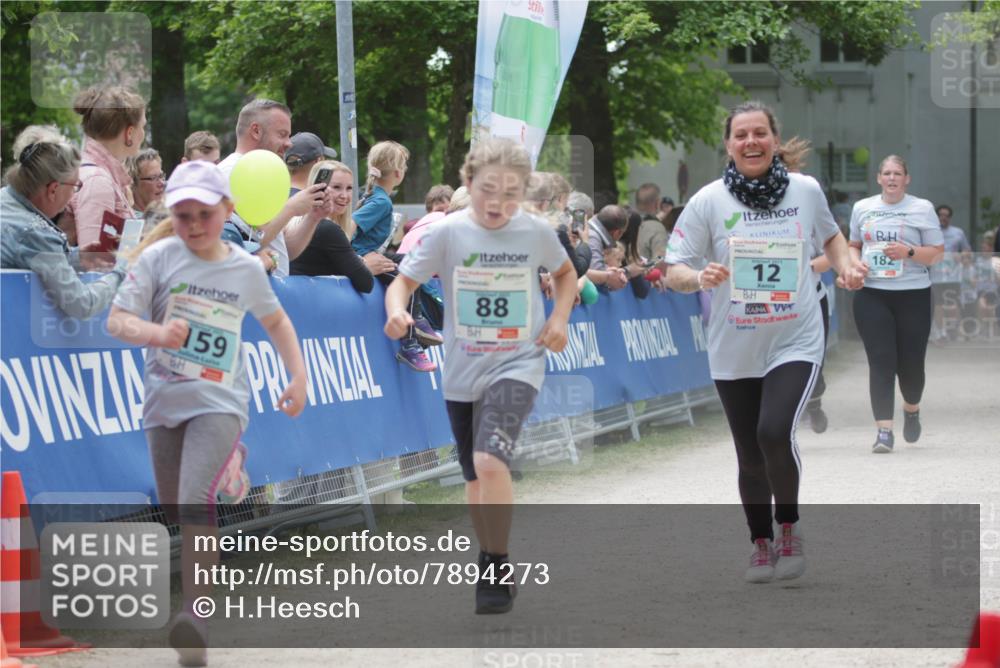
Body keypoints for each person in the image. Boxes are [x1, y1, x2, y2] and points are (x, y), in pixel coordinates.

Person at [107, 160, 307, 666]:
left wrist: (298, 376)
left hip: (221, 401)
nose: (194, 226)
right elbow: (117, 321)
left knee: (196, 503)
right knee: (176, 508)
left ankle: (196, 617)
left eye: (204, 214)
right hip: (164, 400)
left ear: (228, 210)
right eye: (183, 216)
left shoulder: (243, 267)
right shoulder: (157, 260)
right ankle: (232, 464)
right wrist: (158, 334)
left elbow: (277, 321)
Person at [663, 100, 865, 584]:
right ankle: (760, 542)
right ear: (728, 144)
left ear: (774, 139)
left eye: (759, 133)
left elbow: (831, 237)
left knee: (773, 432)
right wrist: (698, 277)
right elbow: (672, 271)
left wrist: (848, 266)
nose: (751, 142)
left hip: (794, 334)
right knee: (749, 454)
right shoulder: (709, 201)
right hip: (734, 344)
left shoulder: (805, 190)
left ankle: (789, 527)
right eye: (741, 135)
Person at [384, 137, 576, 614]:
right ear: (469, 183)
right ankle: (495, 556)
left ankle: (493, 563)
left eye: (511, 193)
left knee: (490, 461)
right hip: (463, 370)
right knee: (474, 477)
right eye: (489, 190)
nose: (498, 203)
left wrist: (559, 318)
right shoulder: (447, 234)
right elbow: (403, 283)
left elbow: (567, 275)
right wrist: (396, 313)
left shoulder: (534, 231)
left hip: (519, 362)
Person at [849, 155, 944, 453]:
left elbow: (937, 254)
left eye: (897, 173)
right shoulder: (862, 208)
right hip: (872, 293)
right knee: (881, 361)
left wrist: (909, 252)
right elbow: (853, 245)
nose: (892, 178)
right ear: (878, 178)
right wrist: (855, 266)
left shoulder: (922, 208)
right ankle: (884, 432)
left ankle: (912, 409)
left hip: (913, 293)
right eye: (887, 173)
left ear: (907, 179)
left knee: (911, 367)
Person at [1, 125, 125, 318]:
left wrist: (78, 258)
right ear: (53, 189)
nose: (74, 195)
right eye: (75, 186)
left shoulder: (6, 200)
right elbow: (82, 304)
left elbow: (36, 258)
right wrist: (121, 274)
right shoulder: (35, 232)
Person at [351, 140, 442, 372]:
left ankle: (419, 319)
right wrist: (353, 256)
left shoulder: (376, 197)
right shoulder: (381, 201)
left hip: (369, 254)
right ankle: (410, 344)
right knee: (404, 282)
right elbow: (351, 227)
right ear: (399, 174)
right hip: (364, 257)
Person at [216, 99, 329, 278]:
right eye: (282, 134)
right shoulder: (232, 172)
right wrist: (292, 207)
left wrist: (313, 217)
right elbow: (252, 241)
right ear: (256, 131)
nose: (289, 143)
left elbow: (283, 250)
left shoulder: (265, 174)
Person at [62, 85, 146, 247]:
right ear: (129, 133)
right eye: (142, 126)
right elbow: (95, 262)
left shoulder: (99, 177)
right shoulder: (97, 182)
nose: (143, 133)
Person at [290, 160, 391, 292]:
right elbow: (366, 284)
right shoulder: (327, 229)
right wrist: (365, 265)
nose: (344, 196)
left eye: (349, 188)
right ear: (318, 188)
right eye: (336, 187)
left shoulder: (304, 222)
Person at [929, 204, 972, 342]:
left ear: (950, 218)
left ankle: (953, 330)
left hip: (953, 276)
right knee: (939, 305)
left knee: (953, 305)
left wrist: (962, 256)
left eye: (946, 216)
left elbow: (967, 251)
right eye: (941, 215)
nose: (943, 218)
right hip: (936, 276)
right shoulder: (930, 232)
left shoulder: (958, 232)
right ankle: (941, 333)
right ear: (937, 216)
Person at [586, 204, 629, 291]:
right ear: (617, 233)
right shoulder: (593, 236)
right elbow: (596, 270)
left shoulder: (592, 232)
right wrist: (612, 277)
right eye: (622, 233)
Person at [635, 182, 668, 263]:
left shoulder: (625, 224)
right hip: (645, 274)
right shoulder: (657, 228)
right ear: (658, 203)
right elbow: (660, 260)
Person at [127, 148, 165, 214]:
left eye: (161, 176)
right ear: (132, 182)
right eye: (153, 178)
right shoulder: (127, 220)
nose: (161, 183)